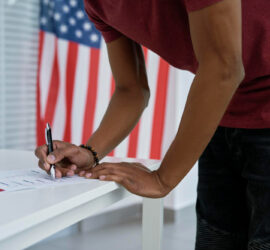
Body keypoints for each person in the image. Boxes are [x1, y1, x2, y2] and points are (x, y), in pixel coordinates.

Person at [35, 0, 270, 248]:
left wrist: (162, 179)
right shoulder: (99, 5)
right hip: (223, 113)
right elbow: (132, 90)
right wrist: (89, 152)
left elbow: (224, 69)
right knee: (217, 239)